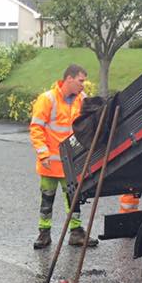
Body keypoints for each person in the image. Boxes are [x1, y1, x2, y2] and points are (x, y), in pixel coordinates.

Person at [29, 64, 97, 249]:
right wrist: (43, 154)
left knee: (73, 200)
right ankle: (44, 233)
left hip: (71, 164)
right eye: (80, 81)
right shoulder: (48, 99)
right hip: (51, 163)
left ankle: (76, 233)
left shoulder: (82, 99)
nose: (83, 85)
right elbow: (36, 128)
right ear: (69, 79)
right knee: (47, 200)